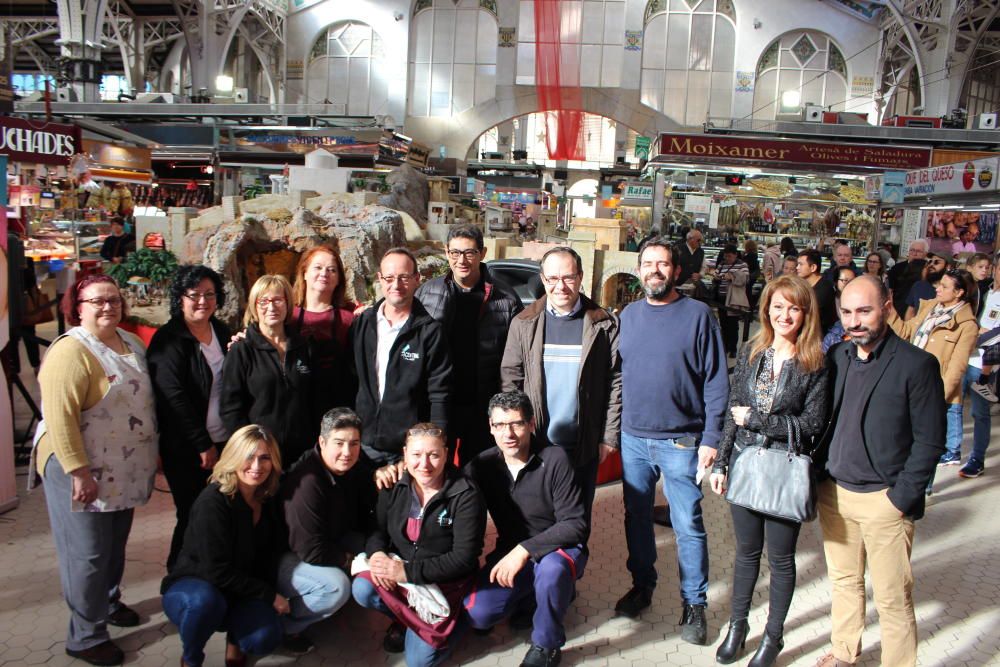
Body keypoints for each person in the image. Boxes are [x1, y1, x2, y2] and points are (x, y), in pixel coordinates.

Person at [813, 275, 945, 667]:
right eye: (848, 312)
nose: (855, 321)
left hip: (885, 502)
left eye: (865, 311)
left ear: (887, 307)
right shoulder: (837, 357)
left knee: (892, 597)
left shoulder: (917, 365)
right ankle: (843, 652)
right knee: (844, 583)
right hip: (834, 494)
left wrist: (901, 497)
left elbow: (930, 441)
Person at [31, 275, 156, 667]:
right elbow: (60, 418)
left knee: (114, 544)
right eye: (97, 301)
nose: (108, 307)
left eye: (114, 300)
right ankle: (85, 635)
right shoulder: (70, 352)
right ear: (78, 306)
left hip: (121, 465)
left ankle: (108, 602)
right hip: (79, 466)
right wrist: (78, 472)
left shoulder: (130, 342)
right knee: (86, 553)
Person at [614, 236, 729, 646]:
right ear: (639, 268)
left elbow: (717, 380)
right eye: (648, 263)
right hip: (634, 438)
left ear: (676, 270)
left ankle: (694, 604)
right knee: (636, 517)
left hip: (682, 440)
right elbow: (616, 377)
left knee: (688, 525)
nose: (655, 271)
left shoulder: (698, 315)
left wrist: (712, 437)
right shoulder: (628, 315)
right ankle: (643, 585)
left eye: (663, 264)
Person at [709, 275, 829, 667]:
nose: (785, 315)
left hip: (784, 468)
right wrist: (722, 461)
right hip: (745, 464)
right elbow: (733, 411)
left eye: (794, 308)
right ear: (767, 309)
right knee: (745, 554)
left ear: (806, 313)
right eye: (778, 306)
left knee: (780, 560)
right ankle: (737, 627)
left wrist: (760, 422)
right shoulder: (751, 351)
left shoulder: (815, 362)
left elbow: (813, 423)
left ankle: (773, 638)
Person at [464, 391, 588, 667]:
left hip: (559, 548)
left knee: (552, 571)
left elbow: (575, 524)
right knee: (477, 615)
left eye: (516, 424)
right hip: (512, 551)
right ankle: (537, 595)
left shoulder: (555, 458)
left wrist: (524, 550)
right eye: (499, 425)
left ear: (531, 424)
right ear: (490, 427)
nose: (508, 433)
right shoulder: (482, 465)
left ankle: (547, 645)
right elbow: (449, 490)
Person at [500, 245, 621, 522]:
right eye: (553, 279)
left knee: (576, 524)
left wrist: (608, 437)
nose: (561, 286)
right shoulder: (524, 323)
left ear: (580, 277)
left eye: (567, 277)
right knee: (535, 523)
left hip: (583, 448)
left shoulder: (604, 324)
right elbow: (511, 381)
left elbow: (616, 384)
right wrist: (518, 433)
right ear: (543, 280)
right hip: (538, 444)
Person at [352, 424, 486, 667]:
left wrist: (406, 572)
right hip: (402, 574)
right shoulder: (393, 484)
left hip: (444, 582)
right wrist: (377, 554)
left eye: (434, 455)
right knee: (362, 589)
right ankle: (406, 620)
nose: (424, 464)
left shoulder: (466, 493)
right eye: (416, 455)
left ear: (446, 453)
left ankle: (460, 621)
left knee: (419, 662)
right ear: (404, 454)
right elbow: (377, 530)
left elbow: (464, 558)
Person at [161, 425, 287, 667]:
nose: (257, 466)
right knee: (205, 603)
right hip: (198, 585)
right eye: (248, 457)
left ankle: (235, 643)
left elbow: (270, 555)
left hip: (240, 588)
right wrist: (269, 595)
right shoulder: (214, 501)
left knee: (265, 637)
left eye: (264, 458)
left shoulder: (267, 497)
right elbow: (215, 571)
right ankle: (191, 658)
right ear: (233, 457)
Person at [148, 265, 233, 570]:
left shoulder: (221, 332)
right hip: (188, 449)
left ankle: (215, 573)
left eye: (209, 294)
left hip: (225, 440)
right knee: (193, 513)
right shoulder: (168, 341)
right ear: (180, 298)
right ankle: (179, 573)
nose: (202, 301)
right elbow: (173, 398)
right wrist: (202, 444)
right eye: (194, 295)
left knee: (222, 512)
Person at [416, 225, 522, 464]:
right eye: (455, 253)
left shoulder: (506, 298)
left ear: (482, 253)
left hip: (483, 405)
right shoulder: (427, 293)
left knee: (479, 475)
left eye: (469, 253)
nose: (461, 260)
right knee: (436, 471)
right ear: (446, 252)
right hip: (440, 403)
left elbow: (517, 358)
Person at [277, 408, 376, 653]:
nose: (347, 452)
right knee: (336, 586)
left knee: (372, 548)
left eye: (354, 444)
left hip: (328, 539)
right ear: (322, 442)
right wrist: (348, 560)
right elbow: (310, 550)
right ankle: (284, 627)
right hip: (285, 556)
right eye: (339, 443)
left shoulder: (349, 466)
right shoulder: (307, 482)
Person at [352, 247, 452, 479]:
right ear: (380, 279)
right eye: (389, 278)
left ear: (417, 279)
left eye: (404, 277)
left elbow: (439, 395)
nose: (396, 284)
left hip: (407, 453)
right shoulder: (363, 324)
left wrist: (432, 448)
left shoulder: (430, 332)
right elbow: (348, 381)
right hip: (362, 447)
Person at [220, 274, 318, 465]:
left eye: (278, 300)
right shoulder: (242, 350)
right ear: (254, 306)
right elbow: (230, 408)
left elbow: (316, 400)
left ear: (288, 303)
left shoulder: (304, 347)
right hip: (258, 456)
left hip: (303, 454)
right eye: (263, 301)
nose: (271, 307)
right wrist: (250, 448)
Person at [887, 269, 978, 471]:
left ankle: (922, 490)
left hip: (934, 391)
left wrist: (938, 397)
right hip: (909, 380)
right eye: (939, 284)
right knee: (902, 440)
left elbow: (957, 367)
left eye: (945, 287)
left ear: (959, 293)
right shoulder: (930, 307)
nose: (938, 288)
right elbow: (905, 331)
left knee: (924, 446)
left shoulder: (967, 325)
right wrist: (890, 311)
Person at [290, 245, 357, 414]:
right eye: (318, 267)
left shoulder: (350, 316)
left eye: (332, 270)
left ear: (339, 279)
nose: (324, 273)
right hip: (296, 407)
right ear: (304, 273)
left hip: (338, 407)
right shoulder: (286, 314)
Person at [957, 258, 1000, 478]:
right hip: (964, 356)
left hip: (987, 363)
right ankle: (950, 451)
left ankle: (977, 459)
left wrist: (978, 336)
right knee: (952, 406)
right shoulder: (981, 289)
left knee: (979, 412)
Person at [713, 244, 749, 358]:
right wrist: (717, 277)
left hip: (733, 298)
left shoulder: (742, 265)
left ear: (735, 255)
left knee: (733, 323)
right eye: (725, 256)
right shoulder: (722, 264)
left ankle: (733, 348)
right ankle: (725, 345)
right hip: (721, 297)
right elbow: (716, 274)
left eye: (729, 256)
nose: (727, 259)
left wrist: (732, 276)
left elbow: (745, 278)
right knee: (723, 323)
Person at [796, 249, 837, 334]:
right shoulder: (805, 285)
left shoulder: (824, 289)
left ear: (813, 267)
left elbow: (808, 315)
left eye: (801, 264)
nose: (797, 268)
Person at [887, 239, 929, 316]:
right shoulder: (897, 268)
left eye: (918, 251)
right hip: (898, 308)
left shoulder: (928, 270)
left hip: (919, 310)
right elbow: (890, 290)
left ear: (925, 254)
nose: (914, 254)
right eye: (912, 250)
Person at [903, 253, 947, 320]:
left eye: (936, 262)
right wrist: (908, 329)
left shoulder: (953, 291)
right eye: (930, 261)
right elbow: (910, 312)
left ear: (948, 267)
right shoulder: (919, 285)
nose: (931, 265)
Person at [821, 267, 856, 353]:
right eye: (845, 280)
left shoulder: (860, 301)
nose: (849, 284)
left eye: (852, 281)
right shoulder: (828, 299)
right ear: (836, 282)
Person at [964, 252, 991, 317]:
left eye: (987, 268)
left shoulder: (986, 285)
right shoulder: (962, 284)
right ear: (969, 268)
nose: (984, 270)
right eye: (980, 267)